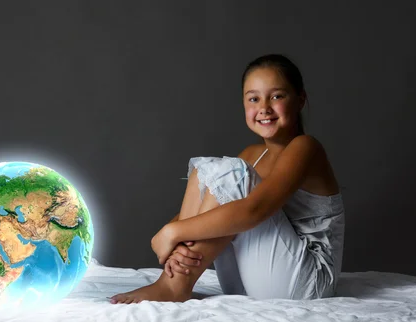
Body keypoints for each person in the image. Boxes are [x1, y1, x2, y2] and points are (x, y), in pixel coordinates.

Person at [110, 54, 345, 304]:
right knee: (209, 171)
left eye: (277, 96)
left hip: (308, 282)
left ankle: (173, 287)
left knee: (230, 173)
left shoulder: (305, 147)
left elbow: (255, 210)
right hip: (252, 279)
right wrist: (173, 237)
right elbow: (210, 208)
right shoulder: (251, 156)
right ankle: (174, 280)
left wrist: (173, 232)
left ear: (300, 100)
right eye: (254, 98)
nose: (264, 108)